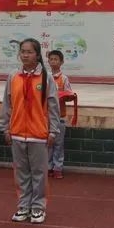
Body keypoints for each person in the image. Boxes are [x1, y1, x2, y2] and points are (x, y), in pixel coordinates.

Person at [0, 38, 59, 224]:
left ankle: (38, 207)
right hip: (17, 133)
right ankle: (23, 205)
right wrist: (5, 127)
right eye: (22, 51)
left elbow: (53, 106)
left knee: (39, 173)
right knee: (21, 173)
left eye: (29, 52)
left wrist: (53, 131)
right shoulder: (13, 77)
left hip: (39, 134)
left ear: (37, 55)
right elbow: (7, 104)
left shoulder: (46, 78)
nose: (25, 55)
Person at [47, 49, 72, 179]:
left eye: (56, 59)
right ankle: (48, 167)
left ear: (61, 62)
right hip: (46, 116)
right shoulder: (45, 77)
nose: (53, 61)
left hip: (60, 116)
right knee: (48, 143)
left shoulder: (64, 78)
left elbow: (69, 95)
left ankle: (58, 167)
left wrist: (63, 96)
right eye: (51, 59)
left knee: (58, 144)